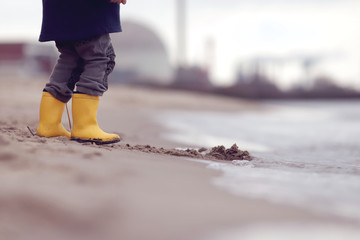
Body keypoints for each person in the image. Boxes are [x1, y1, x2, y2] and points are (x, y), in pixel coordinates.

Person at [36, 0, 127, 145]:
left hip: (58, 8)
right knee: (101, 58)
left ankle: (49, 124)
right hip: (87, 8)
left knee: (71, 58)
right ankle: (85, 126)